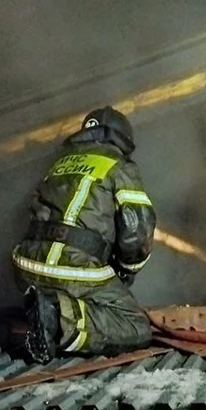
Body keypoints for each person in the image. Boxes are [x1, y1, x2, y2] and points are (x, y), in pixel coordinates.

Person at [11, 106, 156, 363]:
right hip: (70, 268)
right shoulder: (120, 166)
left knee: (76, 289)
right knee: (136, 326)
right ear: (124, 140)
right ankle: (57, 318)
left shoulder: (61, 162)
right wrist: (126, 271)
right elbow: (137, 231)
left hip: (26, 266)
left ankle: (47, 305)